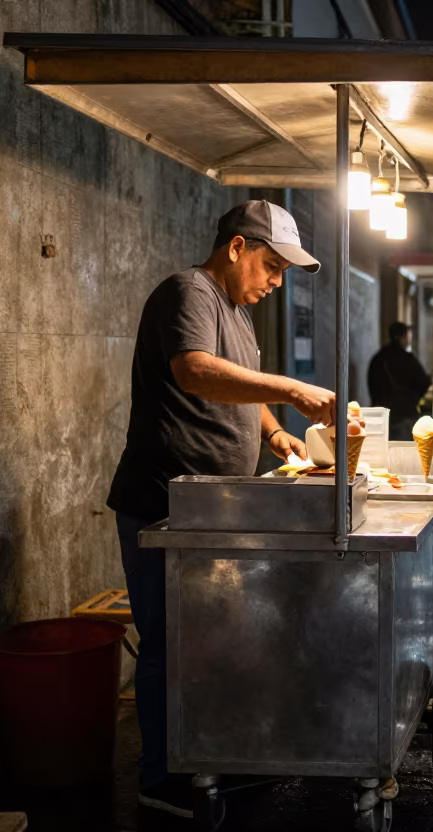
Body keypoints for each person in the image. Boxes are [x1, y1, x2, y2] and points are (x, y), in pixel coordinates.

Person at [107, 199, 334, 817]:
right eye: (271, 265)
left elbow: (234, 382)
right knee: (165, 642)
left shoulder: (234, 309)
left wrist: (272, 432)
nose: (276, 281)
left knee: (210, 640)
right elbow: (197, 372)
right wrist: (291, 389)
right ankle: (160, 778)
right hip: (163, 503)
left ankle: (214, 751)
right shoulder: (190, 292)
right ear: (237, 247)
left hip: (213, 506)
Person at [367, 321, 433, 440]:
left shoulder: (379, 358)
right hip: (404, 414)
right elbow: (424, 383)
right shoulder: (407, 359)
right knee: (404, 452)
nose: (409, 339)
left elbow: (372, 386)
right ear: (401, 337)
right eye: (407, 336)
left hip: (381, 416)